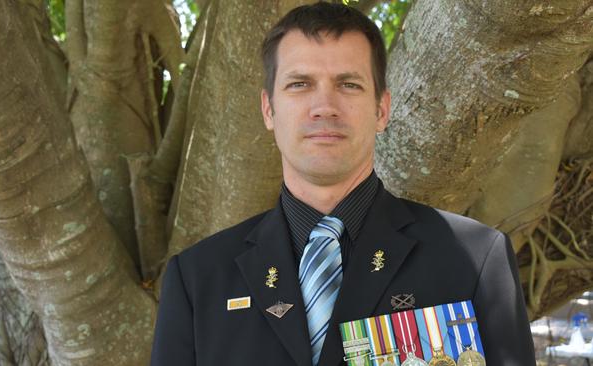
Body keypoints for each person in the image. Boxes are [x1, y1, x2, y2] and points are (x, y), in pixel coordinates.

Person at [150, 2, 535, 365]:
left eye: (348, 84)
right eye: (300, 84)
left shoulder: (473, 260)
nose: (325, 107)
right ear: (269, 110)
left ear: (382, 109)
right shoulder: (198, 280)